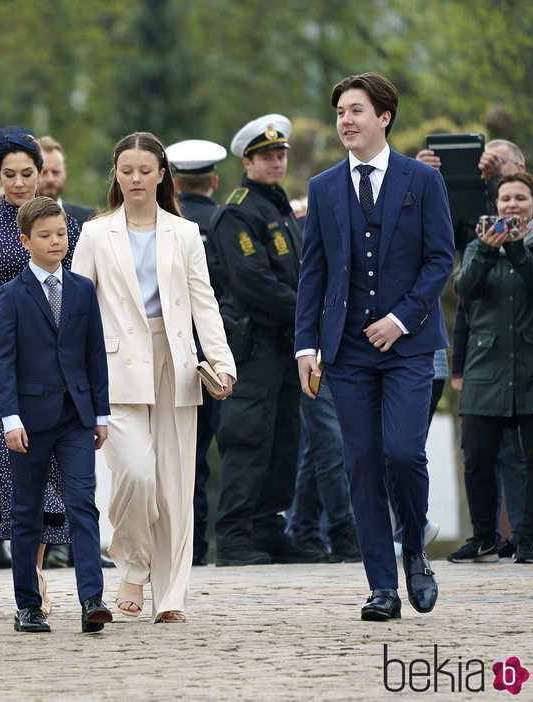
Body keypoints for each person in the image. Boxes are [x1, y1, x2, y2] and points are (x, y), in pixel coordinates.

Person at [294, 73, 454, 621]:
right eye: (340, 111)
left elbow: (441, 260)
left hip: (408, 347)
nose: (346, 120)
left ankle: (415, 549)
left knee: (403, 454)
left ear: (384, 117)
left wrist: (400, 319)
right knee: (361, 463)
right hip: (346, 353)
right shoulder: (322, 187)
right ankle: (382, 587)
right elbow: (312, 274)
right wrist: (305, 347)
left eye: (356, 110)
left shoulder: (422, 181)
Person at [72, 132, 235, 623]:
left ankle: (171, 597)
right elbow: (77, 308)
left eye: (145, 170)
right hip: (115, 366)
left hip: (176, 362)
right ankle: (135, 565)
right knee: (136, 475)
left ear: (162, 174)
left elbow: (204, 303)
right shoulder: (96, 233)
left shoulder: (183, 234)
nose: (136, 179)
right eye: (127, 170)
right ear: (115, 175)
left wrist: (222, 363)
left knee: (174, 487)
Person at [0, 127, 80, 610]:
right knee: (13, 464)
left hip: (51, 355)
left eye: (29, 173)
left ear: (42, 174)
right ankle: (32, 577)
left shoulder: (68, 226)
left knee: (50, 469)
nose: (21, 183)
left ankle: (37, 569)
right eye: (11, 175)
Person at [0, 196, 112, 633]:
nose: (56, 241)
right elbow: (1, 362)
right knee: (27, 512)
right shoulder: (12, 294)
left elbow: (94, 354)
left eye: (61, 233)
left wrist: (101, 413)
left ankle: (92, 600)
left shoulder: (81, 288)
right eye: (45, 236)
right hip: (28, 420)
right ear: (26, 241)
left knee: (83, 504)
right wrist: (10, 419)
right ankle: (28, 604)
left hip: (77, 417)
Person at [206, 115, 318, 566]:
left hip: (284, 341)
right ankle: (233, 536)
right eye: (267, 157)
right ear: (247, 162)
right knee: (247, 438)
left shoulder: (276, 206)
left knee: (284, 438)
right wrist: (306, 310)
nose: (276, 163)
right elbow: (251, 282)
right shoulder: (238, 209)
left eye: (280, 156)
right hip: (253, 345)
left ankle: (268, 529)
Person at [448, 172, 533, 564]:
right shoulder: (480, 245)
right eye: (504, 199)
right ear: (495, 206)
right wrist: (494, 249)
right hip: (486, 368)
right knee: (476, 455)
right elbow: (465, 289)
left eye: (520, 199)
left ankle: (529, 538)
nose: (511, 205)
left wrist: (516, 249)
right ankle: (483, 536)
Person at [166, 138, 227, 566]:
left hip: (172, 357)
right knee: (229, 451)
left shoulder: (169, 227)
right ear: (214, 181)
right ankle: (216, 543)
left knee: (183, 460)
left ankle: (191, 549)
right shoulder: (223, 222)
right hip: (218, 355)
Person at [39, 136, 94, 224]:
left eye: (56, 172)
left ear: (65, 171)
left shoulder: (88, 220)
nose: (50, 179)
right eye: (43, 172)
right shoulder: (14, 222)